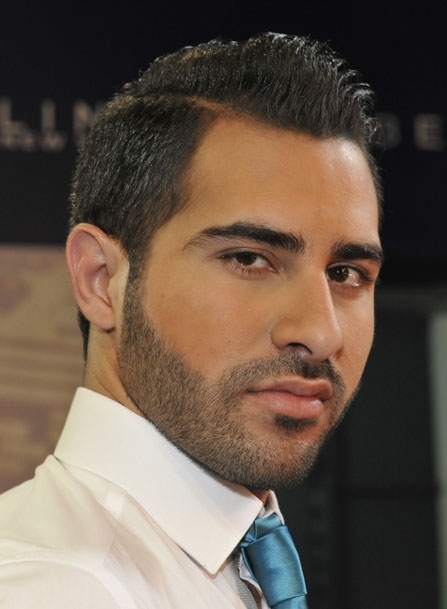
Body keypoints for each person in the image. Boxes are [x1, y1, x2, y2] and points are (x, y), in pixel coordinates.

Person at [0, 32, 384, 608]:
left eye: (346, 272)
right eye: (249, 259)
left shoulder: (232, 555)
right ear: (100, 280)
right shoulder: (56, 587)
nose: (321, 332)